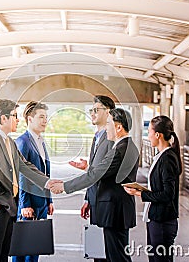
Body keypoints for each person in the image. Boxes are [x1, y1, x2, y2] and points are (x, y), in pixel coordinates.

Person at [50, 108, 140, 262]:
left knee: (117, 257)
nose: (106, 128)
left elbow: (94, 175)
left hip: (114, 211)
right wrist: (87, 167)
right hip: (118, 210)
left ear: (118, 127)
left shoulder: (119, 150)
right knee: (116, 254)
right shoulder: (128, 147)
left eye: (108, 123)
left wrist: (64, 187)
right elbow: (103, 172)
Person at [0, 99, 54, 262]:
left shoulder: (9, 141)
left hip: (9, 206)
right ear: (3, 118)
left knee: (3, 255)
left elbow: (25, 166)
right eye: (14, 116)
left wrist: (48, 183)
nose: (18, 119)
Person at [123, 115, 181, 262]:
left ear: (157, 135)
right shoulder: (162, 156)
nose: (147, 136)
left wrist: (140, 194)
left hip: (163, 220)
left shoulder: (167, 159)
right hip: (157, 218)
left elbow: (168, 194)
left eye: (149, 131)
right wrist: (141, 190)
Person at [69, 95, 115, 262]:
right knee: (97, 250)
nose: (93, 114)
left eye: (97, 110)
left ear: (108, 112)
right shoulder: (97, 137)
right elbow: (94, 172)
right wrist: (88, 198)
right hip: (96, 200)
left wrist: (88, 169)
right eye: (91, 110)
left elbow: (106, 171)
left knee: (107, 251)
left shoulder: (111, 139)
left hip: (107, 202)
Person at [12, 101, 53, 262]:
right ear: (30, 119)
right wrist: (24, 204)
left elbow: (45, 174)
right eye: (41, 117)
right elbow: (21, 175)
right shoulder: (22, 142)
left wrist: (49, 199)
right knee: (22, 250)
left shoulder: (40, 141)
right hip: (29, 204)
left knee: (34, 249)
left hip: (41, 202)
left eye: (46, 117)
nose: (45, 121)